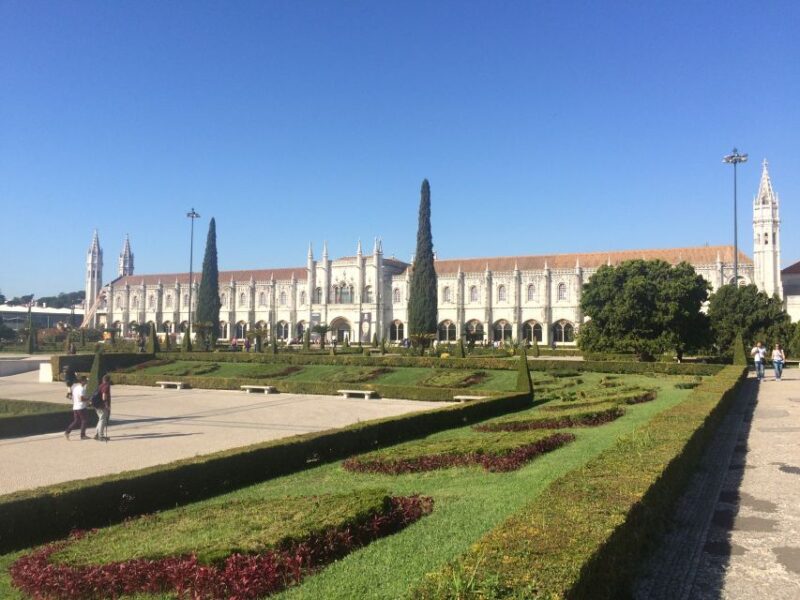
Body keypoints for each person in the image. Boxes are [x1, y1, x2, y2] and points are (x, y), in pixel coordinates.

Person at [65, 376, 89, 440]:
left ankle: (67, 431)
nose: (87, 381)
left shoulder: (75, 388)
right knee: (84, 420)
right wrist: (88, 399)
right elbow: (81, 399)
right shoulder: (81, 389)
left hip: (75, 407)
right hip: (81, 407)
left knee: (76, 421)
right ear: (82, 381)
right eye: (86, 380)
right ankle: (82, 435)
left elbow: (71, 397)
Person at [94, 374, 112, 441]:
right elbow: (104, 397)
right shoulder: (106, 386)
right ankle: (100, 436)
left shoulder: (100, 385)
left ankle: (97, 434)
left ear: (103, 379)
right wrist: (107, 405)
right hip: (102, 406)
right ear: (109, 380)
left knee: (100, 419)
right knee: (102, 420)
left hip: (97, 405)